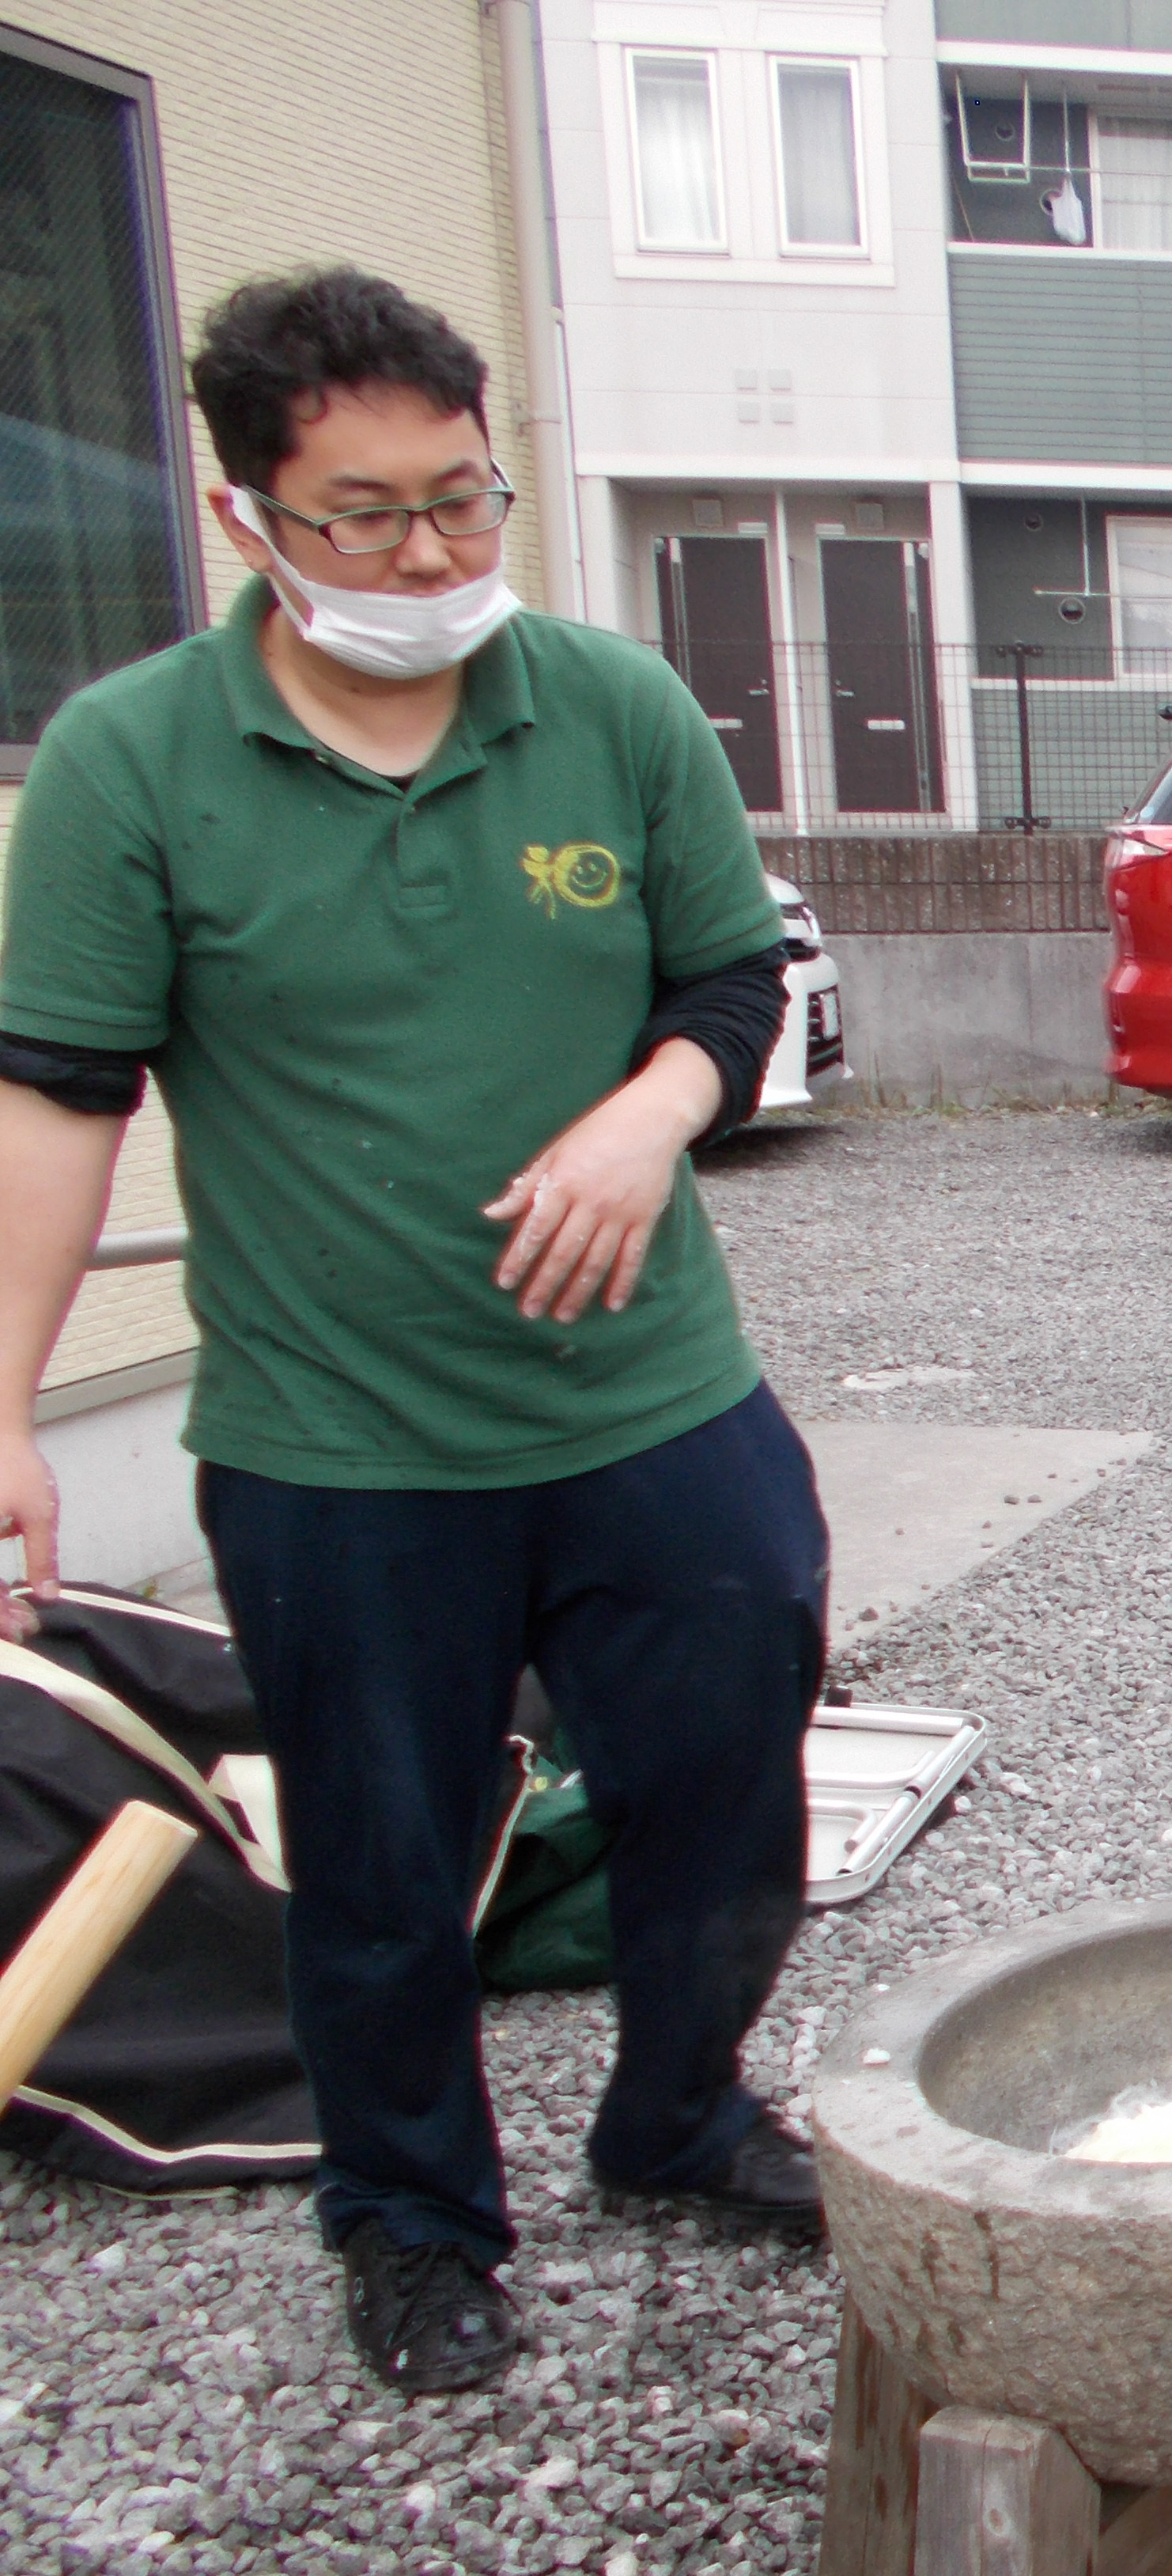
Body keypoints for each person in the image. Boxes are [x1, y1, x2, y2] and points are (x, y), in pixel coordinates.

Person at [0, 271, 831, 2396]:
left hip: (654, 1395)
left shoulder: (612, 704)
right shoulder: (132, 763)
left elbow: (728, 989)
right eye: (363, 517)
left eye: (465, 499)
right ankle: (409, 2210)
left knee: (726, 1786)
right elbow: (57, 1106)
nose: (433, 558)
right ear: (245, 515)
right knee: (376, 1860)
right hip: (336, 1438)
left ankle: (676, 2116)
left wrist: (650, 1119)